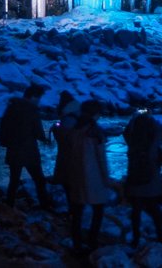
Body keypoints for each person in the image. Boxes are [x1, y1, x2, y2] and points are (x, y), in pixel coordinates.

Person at [67, 99, 109, 254]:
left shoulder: (75, 129)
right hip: (94, 178)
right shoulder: (95, 132)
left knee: (77, 213)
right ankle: (92, 241)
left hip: (77, 176)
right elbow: (101, 159)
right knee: (98, 210)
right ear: (95, 114)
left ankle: (77, 244)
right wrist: (106, 179)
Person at [0, 84, 51, 209]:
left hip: (13, 150)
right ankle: (44, 204)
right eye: (38, 98)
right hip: (29, 151)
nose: (39, 101)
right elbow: (38, 132)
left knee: (14, 180)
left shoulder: (11, 107)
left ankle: (9, 205)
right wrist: (46, 139)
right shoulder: (31, 110)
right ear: (33, 97)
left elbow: (3, 129)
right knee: (39, 179)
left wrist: (6, 143)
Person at [123, 109, 162, 247]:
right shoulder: (153, 144)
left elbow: (126, 131)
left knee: (136, 210)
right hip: (151, 180)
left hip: (134, 179)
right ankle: (161, 235)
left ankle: (136, 238)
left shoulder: (132, 142)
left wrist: (135, 118)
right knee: (154, 208)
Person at [51, 91, 80, 208]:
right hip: (76, 156)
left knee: (68, 181)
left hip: (67, 156)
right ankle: (75, 207)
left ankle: (73, 209)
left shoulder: (67, 117)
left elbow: (65, 140)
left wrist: (56, 130)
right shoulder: (77, 111)